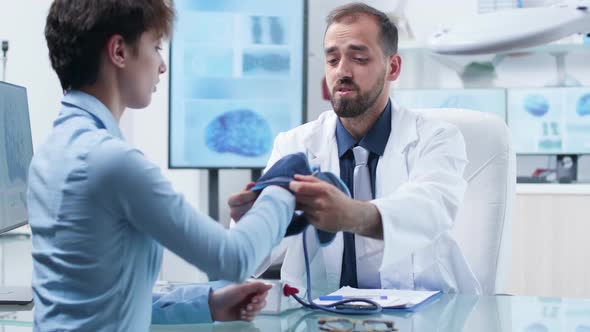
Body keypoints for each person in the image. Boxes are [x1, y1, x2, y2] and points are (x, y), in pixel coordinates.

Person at [28, 0, 295, 330]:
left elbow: (96, 304)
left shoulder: (52, 152)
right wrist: (285, 187)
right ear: (119, 52)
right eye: (155, 46)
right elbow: (234, 258)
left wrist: (206, 304)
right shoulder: (112, 162)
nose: (162, 65)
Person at [229, 3, 481, 294]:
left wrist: (354, 215)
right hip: (320, 319)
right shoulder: (294, 145)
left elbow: (428, 209)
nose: (342, 71)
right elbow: (251, 261)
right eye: (332, 59)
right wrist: (251, 226)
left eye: (359, 58)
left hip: (425, 314)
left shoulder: (437, 138)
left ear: (393, 67)